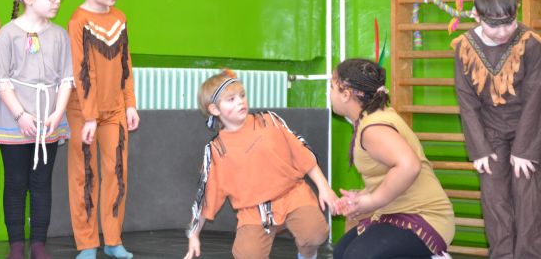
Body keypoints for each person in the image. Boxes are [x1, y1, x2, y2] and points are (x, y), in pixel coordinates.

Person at [53, 0, 140, 259]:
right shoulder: (78, 22)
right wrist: (89, 116)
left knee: (117, 172)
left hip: (114, 110)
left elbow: (126, 65)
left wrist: (130, 104)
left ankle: (113, 239)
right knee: (85, 175)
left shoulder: (120, 18)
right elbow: (81, 72)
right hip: (83, 112)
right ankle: (87, 243)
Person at [184, 70, 333, 259]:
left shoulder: (269, 121)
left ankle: (307, 255)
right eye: (231, 99)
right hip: (254, 211)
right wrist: (194, 234)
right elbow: (207, 196)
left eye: (242, 95)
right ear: (214, 109)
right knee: (247, 254)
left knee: (315, 233)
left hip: (292, 195)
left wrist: (324, 187)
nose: (240, 102)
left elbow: (302, 154)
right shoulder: (216, 150)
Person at [452, 0, 541, 258]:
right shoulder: (464, 47)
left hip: (528, 130)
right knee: (495, 202)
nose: (503, 32)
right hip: (490, 134)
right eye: (494, 25)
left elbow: (536, 98)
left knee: (528, 203)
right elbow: (466, 101)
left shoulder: (530, 43)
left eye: (509, 23)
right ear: (477, 16)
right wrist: (479, 148)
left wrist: (524, 149)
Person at [0, 0, 73, 259]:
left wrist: (56, 114)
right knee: (15, 183)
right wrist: (20, 115)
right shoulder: (7, 34)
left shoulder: (60, 35)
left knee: (41, 184)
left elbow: (66, 80)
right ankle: (16, 244)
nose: (57, 1)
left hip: (48, 120)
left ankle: (38, 243)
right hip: (14, 120)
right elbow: (0, 80)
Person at [331, 58, 454, 259]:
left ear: (346, 94)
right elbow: (387, 175)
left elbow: (409, 166)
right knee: (341, 252)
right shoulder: (370, 118)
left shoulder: (373, 128)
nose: (329, 94)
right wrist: (361, 197)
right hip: (393, 212)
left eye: (332, 87)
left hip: (424, 217)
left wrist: (371, 201)